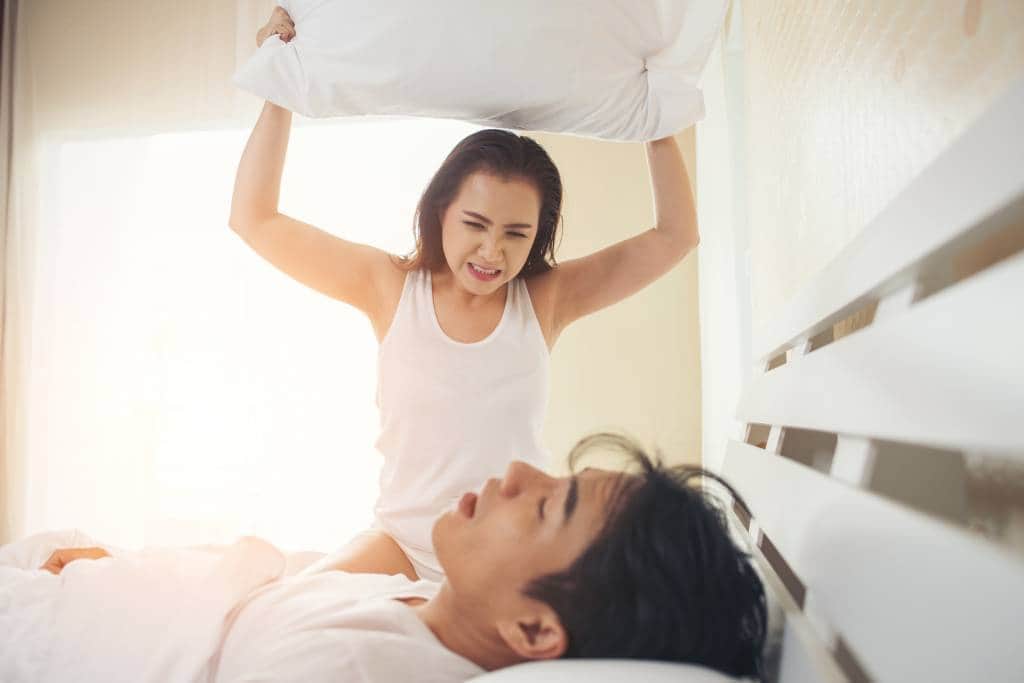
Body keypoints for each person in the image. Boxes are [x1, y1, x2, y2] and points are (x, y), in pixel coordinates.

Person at [229, 7, 700, 582]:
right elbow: (254, 218)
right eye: (475, 224)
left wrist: (654, 117)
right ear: (440, 214)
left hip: (510, 556)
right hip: (401, 546)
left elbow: (675, 236)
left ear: (538, 236)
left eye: (516, 234)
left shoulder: (546, 299)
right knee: (297, 606)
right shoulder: (389, 286)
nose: (491, 252)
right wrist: (278, 86)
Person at [9, 434, 766, 682]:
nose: (515, 473)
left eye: (545, 506)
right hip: (84, 583)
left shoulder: (352, 670)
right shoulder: (430, 605)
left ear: (535, 630)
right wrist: (119, 569)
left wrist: (94, 606)